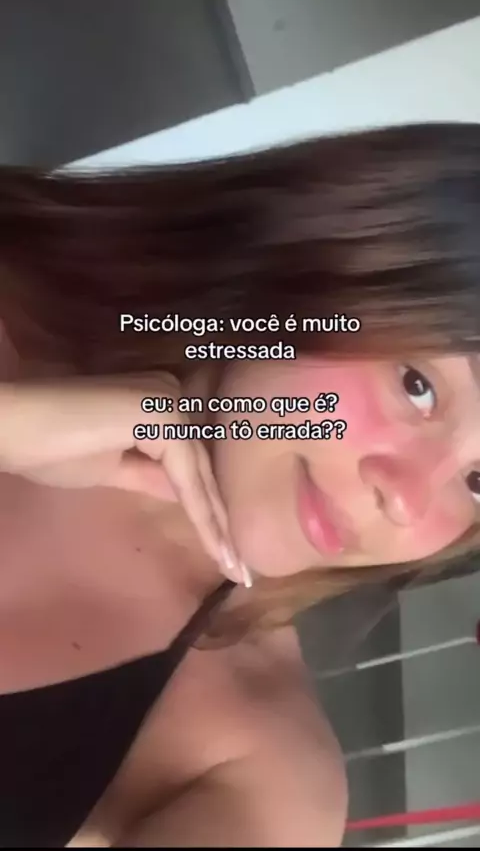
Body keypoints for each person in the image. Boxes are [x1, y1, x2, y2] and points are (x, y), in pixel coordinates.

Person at [0, 121, 479, 847]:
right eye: (418, 386)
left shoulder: (262, 766)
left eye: (479, 480)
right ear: (323, 263)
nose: (407, 499)